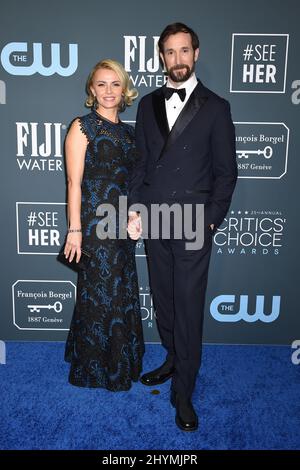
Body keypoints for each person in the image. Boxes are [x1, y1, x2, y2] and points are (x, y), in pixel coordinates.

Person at [128, 23, 237, 430]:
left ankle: (185, 392)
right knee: (164, 299)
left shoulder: (216, 107)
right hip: (155, 218)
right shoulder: (147, 104)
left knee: (188, 307)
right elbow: (140, 164)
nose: (178, 59)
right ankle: (173, 360)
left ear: (196, 53)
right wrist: (136, 209)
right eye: (170, 52)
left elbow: (227, 173)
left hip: (193, 222)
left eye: (184, 51)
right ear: (162, 57)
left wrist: (210, 222)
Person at [64, 59, 144, 391]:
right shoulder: (82, 127)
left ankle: (121, 362)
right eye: (101, 84)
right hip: (94, 224)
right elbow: (73, 183)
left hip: (122, 224)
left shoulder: (130, 132)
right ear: (91, 89)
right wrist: (74, 230)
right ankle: (96, 369)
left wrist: (136, 214)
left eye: (115, 84)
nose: (108, 91)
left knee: (121, 291)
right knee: (99, 294)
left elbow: (134, 181)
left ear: (124, 89)